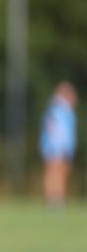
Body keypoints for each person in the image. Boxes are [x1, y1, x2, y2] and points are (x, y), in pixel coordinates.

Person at [39, 81, 78, 209]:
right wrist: (56, 147)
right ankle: (53, 200)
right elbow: (54, 131)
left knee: (61, 174)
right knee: (54, 174)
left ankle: (57, 199)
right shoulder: (56, 110)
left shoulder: (67, 112)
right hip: (56, 149)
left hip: (64, 149)